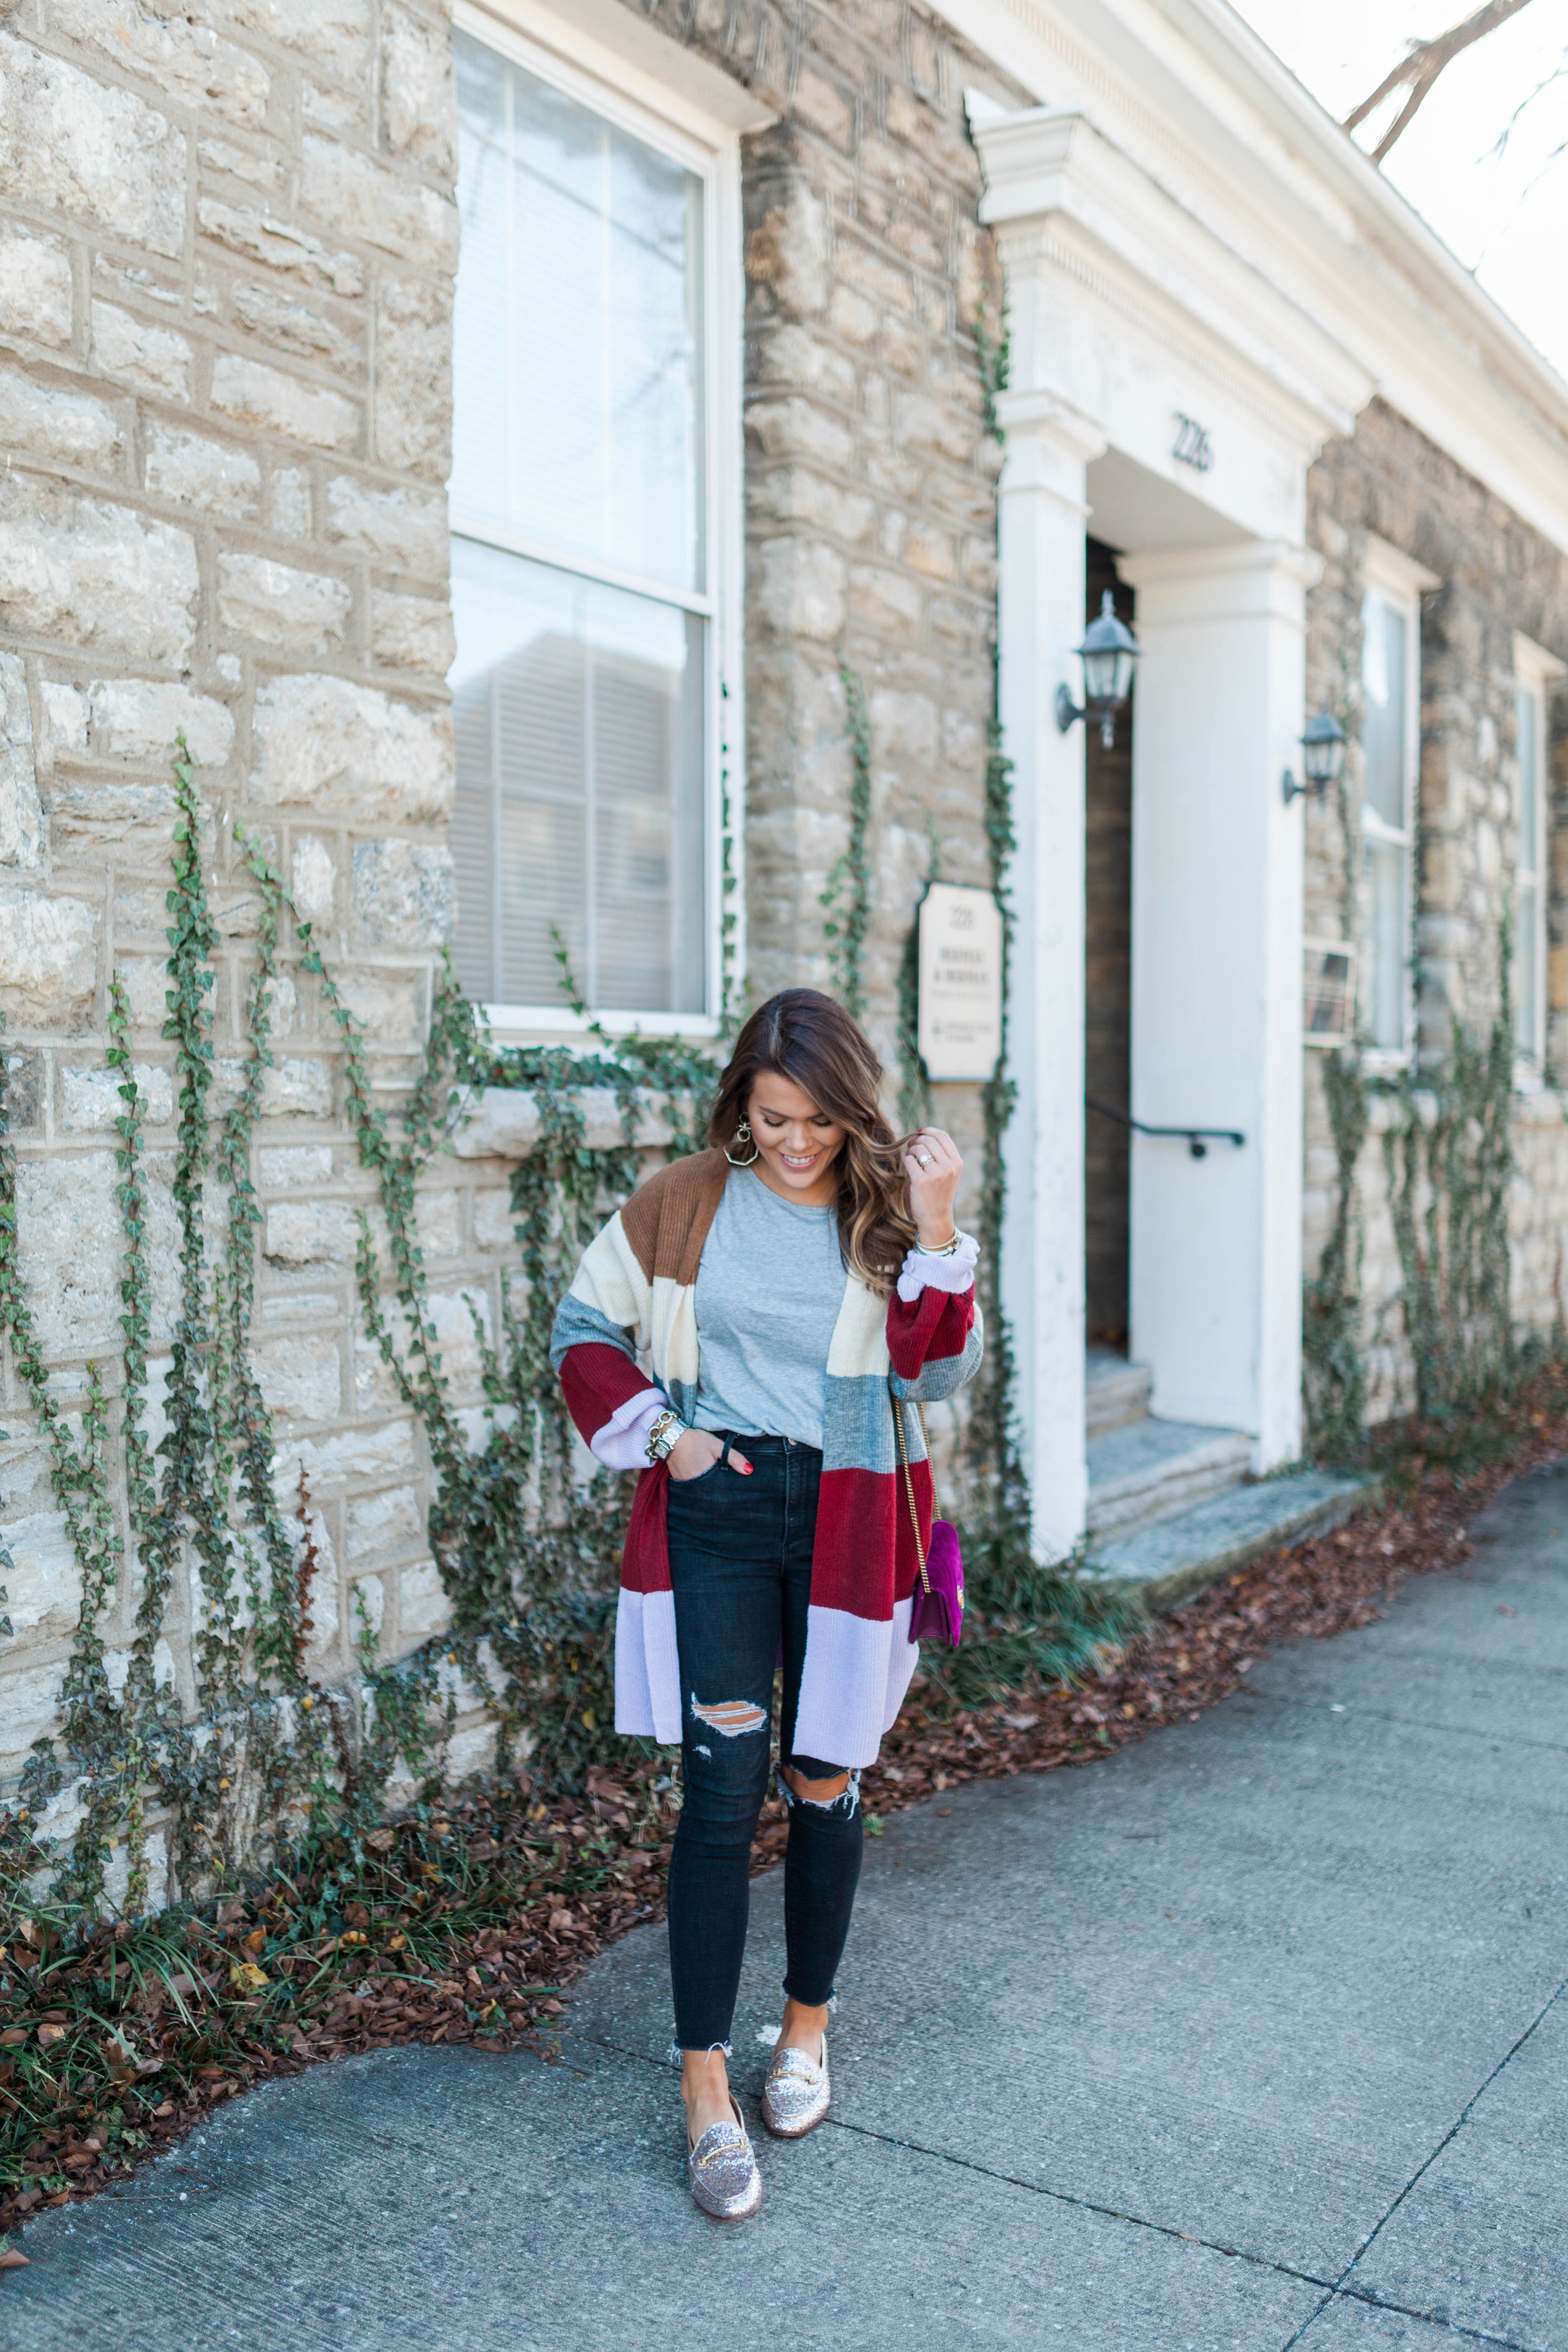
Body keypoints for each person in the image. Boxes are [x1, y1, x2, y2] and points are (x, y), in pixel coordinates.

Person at [551, 988, 982, 2220]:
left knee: (825, 1775)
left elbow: (936, 1373)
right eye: (773, 1116)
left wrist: (940, 1226)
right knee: (720, 1785)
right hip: (721, 1510)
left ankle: (803, 2033)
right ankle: (702, 2088)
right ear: (741, 1101)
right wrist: (668, 1440)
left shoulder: (887, 1211)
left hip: (849, 1517)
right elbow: (585, 1324)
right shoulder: (682, 1197)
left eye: (819, 1122)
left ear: (854, 1114)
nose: (796, 1142)